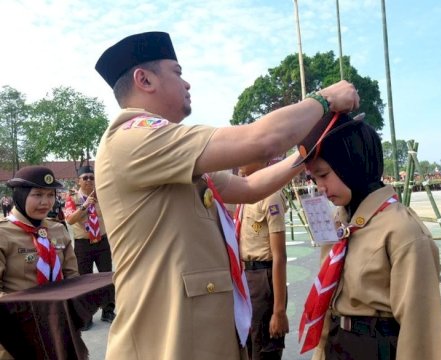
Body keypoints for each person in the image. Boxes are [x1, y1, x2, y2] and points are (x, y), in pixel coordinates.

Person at [93, 31, 359, 360]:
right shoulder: (134, 139)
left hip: (193, 338)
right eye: (177, 72)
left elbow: (248, 188)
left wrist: (307, 151)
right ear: (144, 79)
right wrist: (325, 100)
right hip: (164, 343)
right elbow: (263, 140)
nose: (187, 83)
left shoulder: (166, 150)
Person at [296, 113, 441, 360]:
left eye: (324, 174)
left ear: (352, 163)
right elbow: (328, 298)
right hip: (338, 344)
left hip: (375, 347)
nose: (320, 187)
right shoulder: (340, 221)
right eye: (314, 178)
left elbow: (421, 327)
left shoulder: (402, 230)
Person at [0, 166, 79, 359]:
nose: (45, 202)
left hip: (59, 326)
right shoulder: (3, 234)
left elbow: (73, 277)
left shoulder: (58, 230)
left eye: (50, 195)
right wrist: (26, 309)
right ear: (20, 195)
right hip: (17, 331)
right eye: (37, 194)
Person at [237, 161, 289, 360]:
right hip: (247, 277)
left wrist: (279, 311)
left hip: (264, 279)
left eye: (248, 155)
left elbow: (279, 256)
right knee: (248, 346)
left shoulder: (271, 195)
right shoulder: (247, 194)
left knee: (264, 349)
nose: (241, 160)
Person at [64, 165, 116, 327]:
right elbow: (70, 220)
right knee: (84, 280)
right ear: (78, 181)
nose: (88, 180)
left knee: (107, 277)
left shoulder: (104, 196)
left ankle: (108, 311)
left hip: (102, 241)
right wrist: (85, 205)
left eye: (91, 177)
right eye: (85, 177)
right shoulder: (71, 198)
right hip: (83, 244)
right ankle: (86, 315)